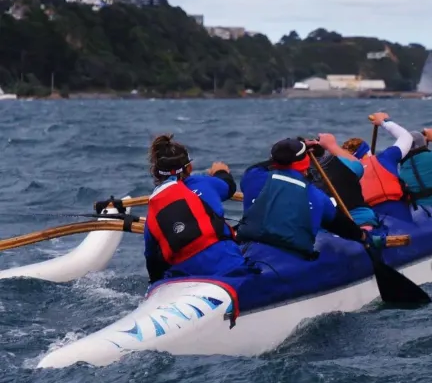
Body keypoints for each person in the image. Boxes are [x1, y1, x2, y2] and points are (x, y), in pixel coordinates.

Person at [143, 133, 250, 284]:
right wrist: (221, 172)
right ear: (190, 167)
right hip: (227, 263)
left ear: (156, 174)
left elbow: (152, 260)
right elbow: (229, 187)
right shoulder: (205, 182)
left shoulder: (155, 207)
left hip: (187, 277)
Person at [238, 135, 369, 257]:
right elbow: (341, 226)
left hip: (249, 247)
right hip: (292, 256)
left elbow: (257, 167)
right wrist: (363, 236)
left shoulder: (252, 177)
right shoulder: (317, 197)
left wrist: (285, 154)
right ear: (305, 165)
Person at [341, 112, 414, 226]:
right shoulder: (385, 157)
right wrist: (384, 122)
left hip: (370, 216)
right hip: (397, 210)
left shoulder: (345, 172)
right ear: (367, 151)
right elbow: (406, 137)